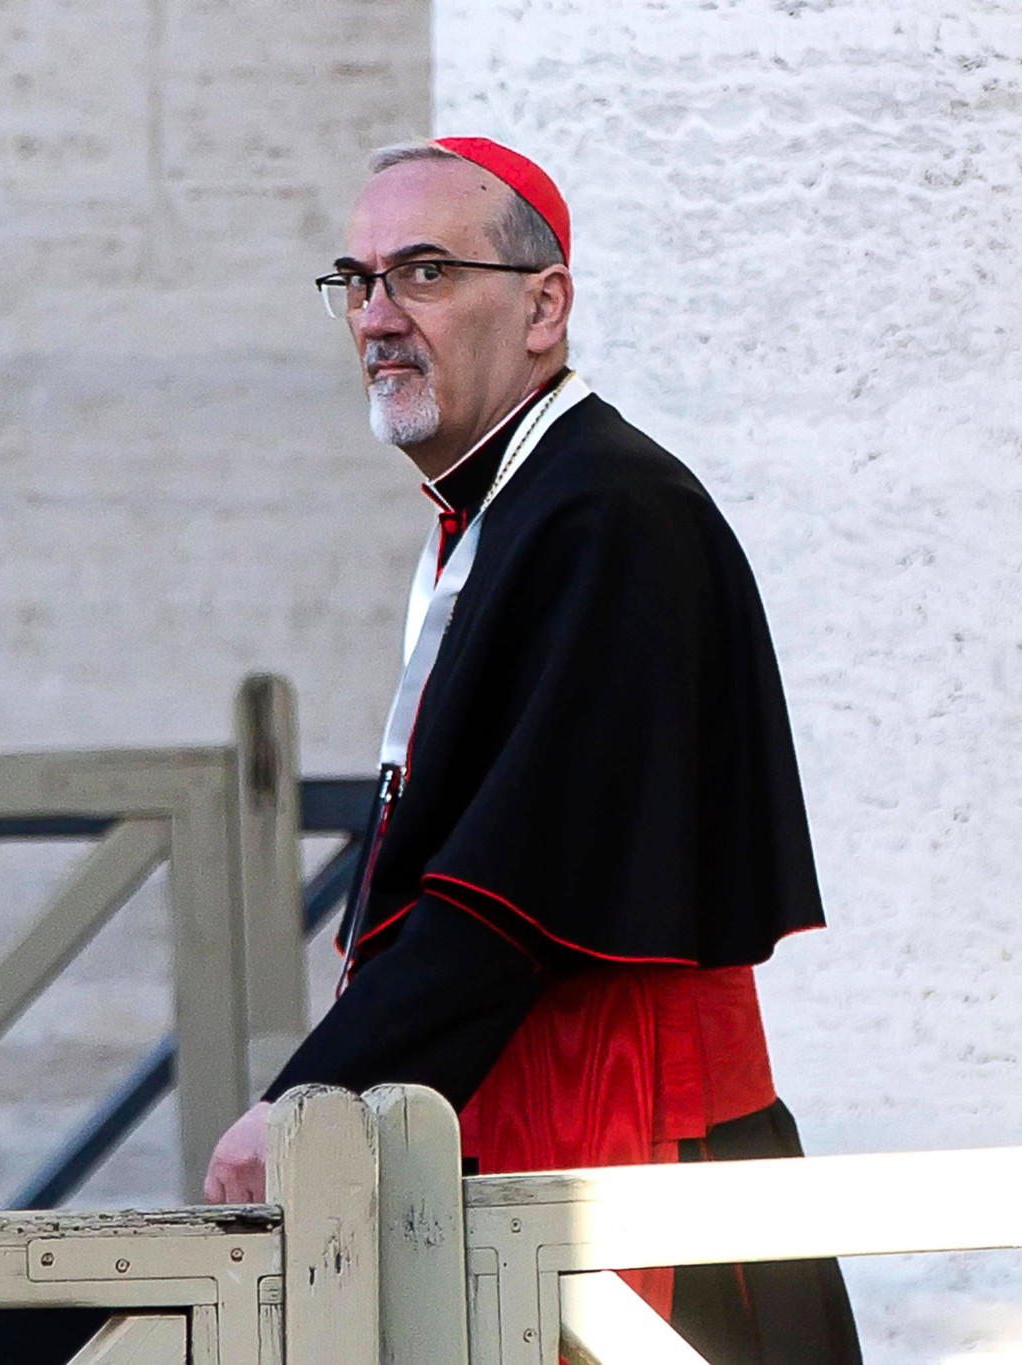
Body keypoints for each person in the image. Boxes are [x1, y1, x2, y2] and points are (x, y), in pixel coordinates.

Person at [202, 138, 861, 1363]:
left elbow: (501, 894)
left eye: (424, 273)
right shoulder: (516, 505)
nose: (377, 316)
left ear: (543, 307)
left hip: (622, 1134)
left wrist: (305, 1103)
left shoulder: (606, 513)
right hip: (534, 1123)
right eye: (356, 280)